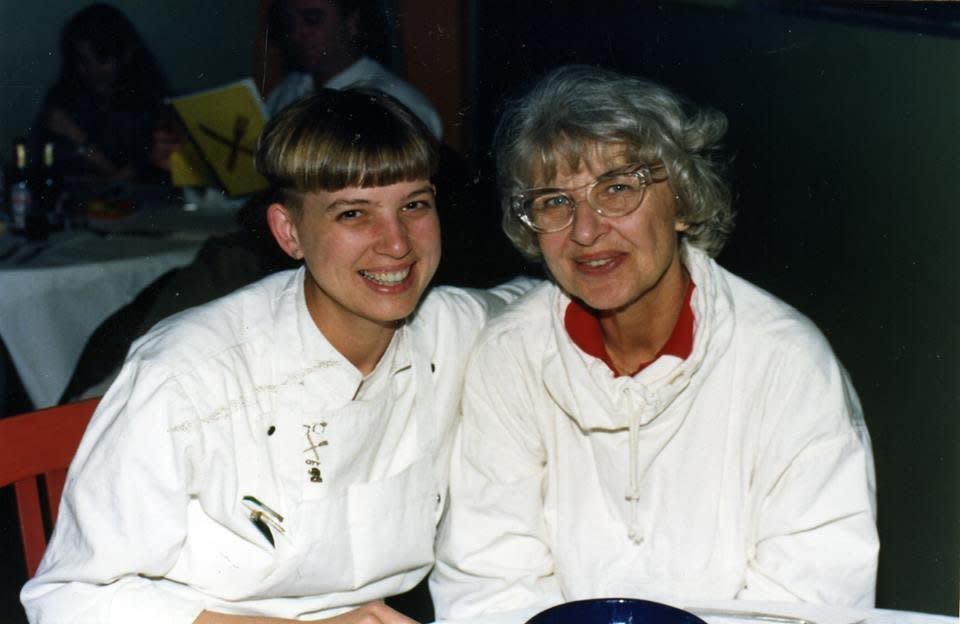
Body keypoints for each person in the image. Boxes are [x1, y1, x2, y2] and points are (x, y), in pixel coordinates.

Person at [22, 88, 529, 623]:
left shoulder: (450, 327)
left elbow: (537, 302)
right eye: (354, 213)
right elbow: (69, 599)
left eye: (414, 205)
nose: (397, 243)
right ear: (290, 233)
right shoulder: (189, 373)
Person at [431, 65, 879, 617]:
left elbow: (814, 595)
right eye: (554, 202)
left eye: (617, 189)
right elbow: (486, 584)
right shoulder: (510, 358)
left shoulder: (786, 362)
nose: (586, 230)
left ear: (685, 202)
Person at [265, 0, 443, 139]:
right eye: (290, 22)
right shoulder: (287, 90)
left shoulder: (397, 101)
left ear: (351, 22)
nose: (298, 32)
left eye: (313, 20)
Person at [31, 3, 171, 180]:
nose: (92, 70)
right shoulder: (63, 97)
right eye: (83, 61)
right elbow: (38, 165)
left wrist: (77, 138)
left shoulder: (150, 102)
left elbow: (125, 177)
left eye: (102, 60)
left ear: (126, 56)